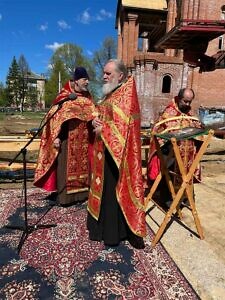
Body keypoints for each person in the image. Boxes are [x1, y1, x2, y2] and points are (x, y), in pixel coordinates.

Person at [87, 59, 146, 249]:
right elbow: (105, 117)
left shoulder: (126, 93)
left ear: (120, 76)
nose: (104, 76)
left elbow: (123, 127)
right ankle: (100, 227)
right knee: (102, 190)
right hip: (103, 152)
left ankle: (114, 232)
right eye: (104, 73)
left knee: (112, 191)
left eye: (108, 73)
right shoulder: (110, 94)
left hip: (118, 156)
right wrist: (96, 122)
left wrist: (102, 130)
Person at [34, 67, 98, 206]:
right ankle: (65, 198)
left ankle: (82, 196)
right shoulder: (65, 96)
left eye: (88, 79)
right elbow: (56, 117)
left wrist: (93, 121)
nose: (87, 82)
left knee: (84, 168)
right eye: (84, 79)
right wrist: (56, 136)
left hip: (85, 140)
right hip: (66, 139)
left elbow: (93, 114)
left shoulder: (88, 97)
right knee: (64, 169)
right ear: (76, 80)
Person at [147, 87, 204, 209]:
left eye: (190, 101)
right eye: (185, 101)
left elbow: (197, 126)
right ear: (178, 98)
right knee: (170, 169)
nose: (188, 104)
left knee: (188, 170)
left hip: (188, 151)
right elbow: (159, 130)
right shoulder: (169, 112)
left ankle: (187, 198)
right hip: (170, 152)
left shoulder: (190, 112)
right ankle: (169, 202)